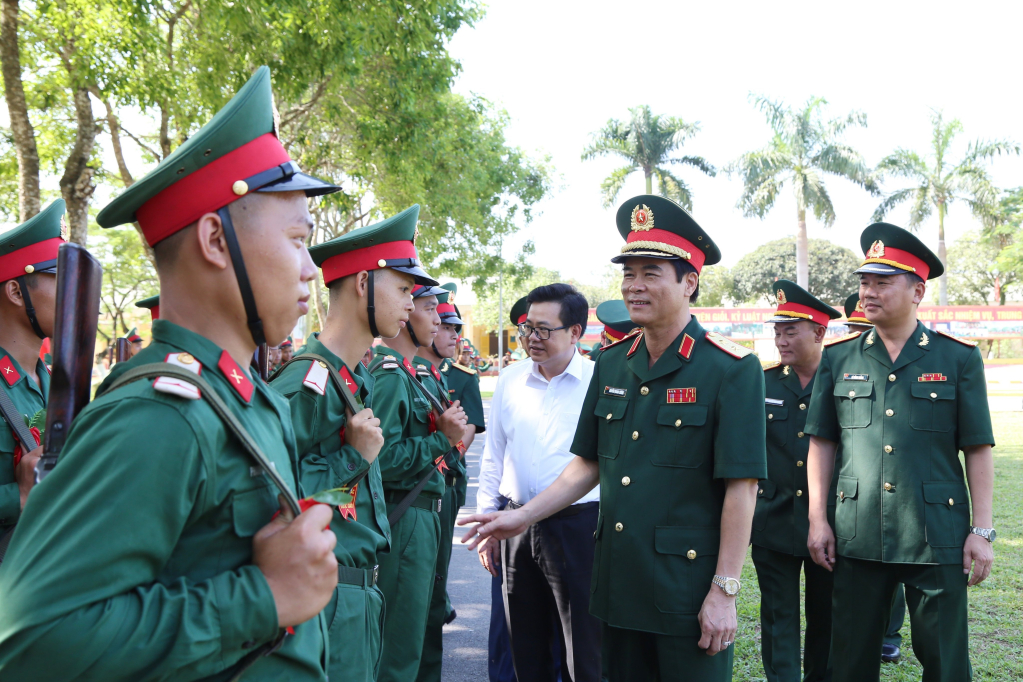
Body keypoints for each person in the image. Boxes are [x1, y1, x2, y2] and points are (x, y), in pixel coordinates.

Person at [0, 66, 342, 680]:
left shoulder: (241, 396)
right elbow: (33, 641)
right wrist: (262, 598)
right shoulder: (163, 413)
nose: (310, 270)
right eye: (297, 240)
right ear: (215, 239)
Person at [461, 195, 767, 682]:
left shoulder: (731, 368)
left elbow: (741, 487)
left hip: (685, 589)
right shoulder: (612, 361)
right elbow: (587, 464)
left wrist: (725, 592)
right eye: (628, 273)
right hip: (616, 583)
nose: (634, 286)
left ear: (690, 282)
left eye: (651, 273)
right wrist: (517, 516)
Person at [805, 223, 996, 682]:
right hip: (857, 531)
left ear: (917, 290)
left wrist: (982, 530)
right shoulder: (838, 357)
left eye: (882, 282)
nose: (867, 292)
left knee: (945, 659)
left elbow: (978, 447)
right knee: (849, 658)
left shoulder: (957, 358)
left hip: (936, 533)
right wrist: (817, 518)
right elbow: (822, 441)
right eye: (864, 281)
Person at [271, 211, 437, 682]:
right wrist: (353, 458)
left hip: (356, 595)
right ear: (363, 282)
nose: (411, 303)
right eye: (404, 289)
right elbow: (268, 497)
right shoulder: (308, 385)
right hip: (324, 602)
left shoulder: (352, 379)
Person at [474, 282, 601, 682]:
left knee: (581, 649)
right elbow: (493, 456)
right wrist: (487, 522)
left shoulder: (598, 383)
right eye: (529, 328)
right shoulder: (511, 380)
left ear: (575, 332)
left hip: (577, 527)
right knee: (522, 650)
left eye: (544, 329)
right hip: (514, 527)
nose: (532, 338)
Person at [367, 245, 468, 682]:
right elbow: (379, 459)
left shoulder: (412, 374)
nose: (434, 318)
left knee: (417, 634)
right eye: (429, 309)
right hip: (406, 519)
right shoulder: (391, 376)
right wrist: (439, 441)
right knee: (397, 652)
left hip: (426, 517)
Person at [752, 280, 841, 682]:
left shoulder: (843, 381)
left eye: (791, 330)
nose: (780, 339)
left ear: (819, 332)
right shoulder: (763, 383)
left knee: (827, 616)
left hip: (832, 525)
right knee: (777, 615)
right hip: (774, 519)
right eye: (777, 331)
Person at [414, 289, 481, 681]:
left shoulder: (453, 375)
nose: (452, 332)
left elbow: (468, 427)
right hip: (419, 489)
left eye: (455, 326)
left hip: (447, 478)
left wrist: (447, 449)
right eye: (444, 324)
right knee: (421, 585)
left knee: (435, 574)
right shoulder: (406, 375)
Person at [843, 291, 906, 663]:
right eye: (852, 328)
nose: (856, 334)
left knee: (895, 560)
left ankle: (889, 631)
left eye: (860, 328)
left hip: (895, 483)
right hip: (854, 490)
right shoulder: (843, 362)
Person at [0, 199, 64, 542]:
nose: (73, 294)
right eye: (59, 279)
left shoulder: (58, 380)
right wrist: (18, 496)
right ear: (15, 291)